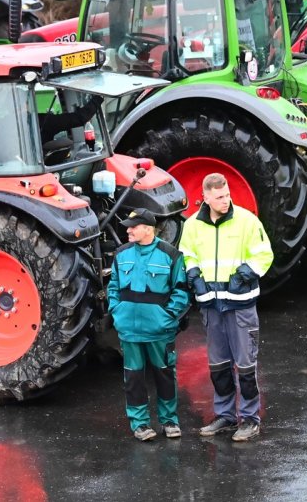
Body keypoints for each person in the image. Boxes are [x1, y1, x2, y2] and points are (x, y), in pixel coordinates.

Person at [179, 173, 273, 442]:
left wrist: (244, 274)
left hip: (240, 304)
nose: (225, 200)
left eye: (227, 195)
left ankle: (250, 419)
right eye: (219, 197)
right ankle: (226, 415)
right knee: (218, 366)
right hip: (211, 305)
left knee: (245, 366)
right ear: (205, 197)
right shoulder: (192, 226)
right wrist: (194, 277)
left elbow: (264, 253)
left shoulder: (247, 221)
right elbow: (187, 253)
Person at [107, 207, 190, 442]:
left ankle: (169, 421)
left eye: (133, 227)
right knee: (133, 379)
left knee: (164, 375)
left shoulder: (170, 255)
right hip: (129, 330)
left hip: (159, 331)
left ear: (148, 228)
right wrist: (117, 312)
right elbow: (113, 287)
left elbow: (181, 291)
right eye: (128, 227)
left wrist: (167, 318)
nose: (128, 231)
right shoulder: (121, 254)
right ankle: (140, 424)